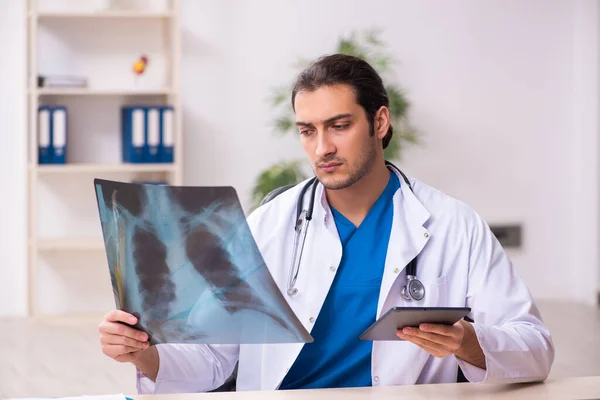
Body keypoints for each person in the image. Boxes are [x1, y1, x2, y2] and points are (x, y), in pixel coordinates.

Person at [98, 54, 555, 393]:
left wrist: (466, 341)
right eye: (307, 130)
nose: (322, 149)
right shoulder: (267, 224)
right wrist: (146, 354)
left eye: (339, 126)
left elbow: (535, 347)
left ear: (379, 121)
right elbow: (215, 358)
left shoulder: (455, 225)